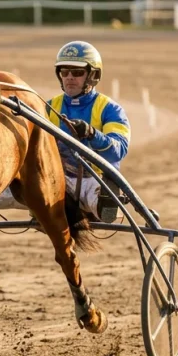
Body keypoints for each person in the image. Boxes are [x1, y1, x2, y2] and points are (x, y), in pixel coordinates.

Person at [49, 41, 130, 223]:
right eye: (64, 72)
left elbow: (118, 151)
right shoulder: (49, 107)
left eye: (77, 72)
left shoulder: (110, 109)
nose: (69, 77)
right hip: (58, 179)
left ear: (92, 75)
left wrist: (92, 134)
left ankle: (106, 202)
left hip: (95, 178)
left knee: (103, 204)